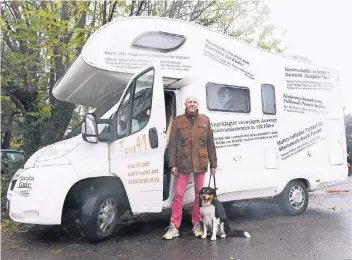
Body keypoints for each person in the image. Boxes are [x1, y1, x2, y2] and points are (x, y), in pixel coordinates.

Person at [163, 96, 218, 240]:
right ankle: (174, 225)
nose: (192, 104)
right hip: (184, 163)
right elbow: (173, 145)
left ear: (197, 104)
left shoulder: (205, 120)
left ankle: (197, 223)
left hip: (200, 162)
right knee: (179, 194)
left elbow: (210, 144)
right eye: (189, 102)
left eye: (194, 102)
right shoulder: (178, 121)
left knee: (199, 195)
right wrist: (173, 164)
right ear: (185, 104)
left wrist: (213, 164)